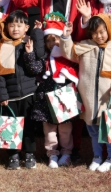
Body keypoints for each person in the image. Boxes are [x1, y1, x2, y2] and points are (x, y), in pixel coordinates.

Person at [59, 14, 111, 173]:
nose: (98, 36)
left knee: (109, 128)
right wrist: (66, 37)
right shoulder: (86, 46)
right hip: (88, 97)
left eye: (102, 32)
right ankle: (97, 156)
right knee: (93, 130)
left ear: (108, 30)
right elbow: (69, 52)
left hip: (107, 97)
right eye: (94, 33)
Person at [0, 11, 45, 170]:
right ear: (6, 27)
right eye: (12, 25)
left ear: (26, 28)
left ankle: (29, 154)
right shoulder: (2, 46)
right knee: (10, 125)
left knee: (28, 126)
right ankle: (13, 155)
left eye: (19, 25)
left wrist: (30, 53)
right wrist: (2, 95)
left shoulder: (29, 43)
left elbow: (36, 69)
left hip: (28, 93)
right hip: (11, 96)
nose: (15, 29)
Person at [31, 14, 79, 169]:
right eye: (49, 40)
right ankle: (52, 154)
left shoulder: (68, 57)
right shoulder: (44, 58)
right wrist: (36, 35)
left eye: (55, 39)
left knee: (65, 128)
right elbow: (35, 68)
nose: (52, 43)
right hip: (46, 97)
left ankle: (66, 153)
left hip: (64, 97)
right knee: (49, 129)